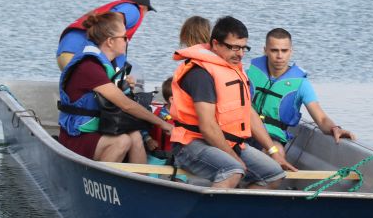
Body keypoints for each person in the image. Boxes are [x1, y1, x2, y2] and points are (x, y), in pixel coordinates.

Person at [169, 16, 297, 189]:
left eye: (244, 48)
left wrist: (273, 152)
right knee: (233, 169)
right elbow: (207, 127)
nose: (240, 54)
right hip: (191, 144)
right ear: (215, 44)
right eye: (234, 47)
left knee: (274, 174)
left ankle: (240, 206)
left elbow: (249, 113)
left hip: (230, 143)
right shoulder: (201, 74)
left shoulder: (234, 70)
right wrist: (233, 157)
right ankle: (210, 206)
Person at [57, 11, 173, 163]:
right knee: (122, 141)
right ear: (110, 41)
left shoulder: (107, 65)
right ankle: (99, 177)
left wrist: (123, 86)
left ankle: (139, 177)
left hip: (98, 130)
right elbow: (126, 105)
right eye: (124, 37)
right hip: (76, 137)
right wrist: (162, 123)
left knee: (135, 135)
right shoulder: (89, 67)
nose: (127, 41)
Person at [247, 28, 356, 147]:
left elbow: (321, 118)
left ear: (291, 51)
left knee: (276, 151)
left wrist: (335, 128)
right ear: (265, 51)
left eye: (284, 51)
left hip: (272, 136)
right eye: (274, 50)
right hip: (244, 129)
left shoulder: (301, 84)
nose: (279, 56)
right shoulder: (248, 74)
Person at [57, 0, 155, 70]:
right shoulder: (133, 9)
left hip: (64, 52)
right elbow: (112, 23)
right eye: (147, 11)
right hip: (79, 54)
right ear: (143, 7)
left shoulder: (114, 8)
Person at [147, 77, 173, 155]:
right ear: (172, 99)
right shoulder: (154, 112)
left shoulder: (189, 116)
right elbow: (142, 128)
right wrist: (148, 139)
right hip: (159, 155)